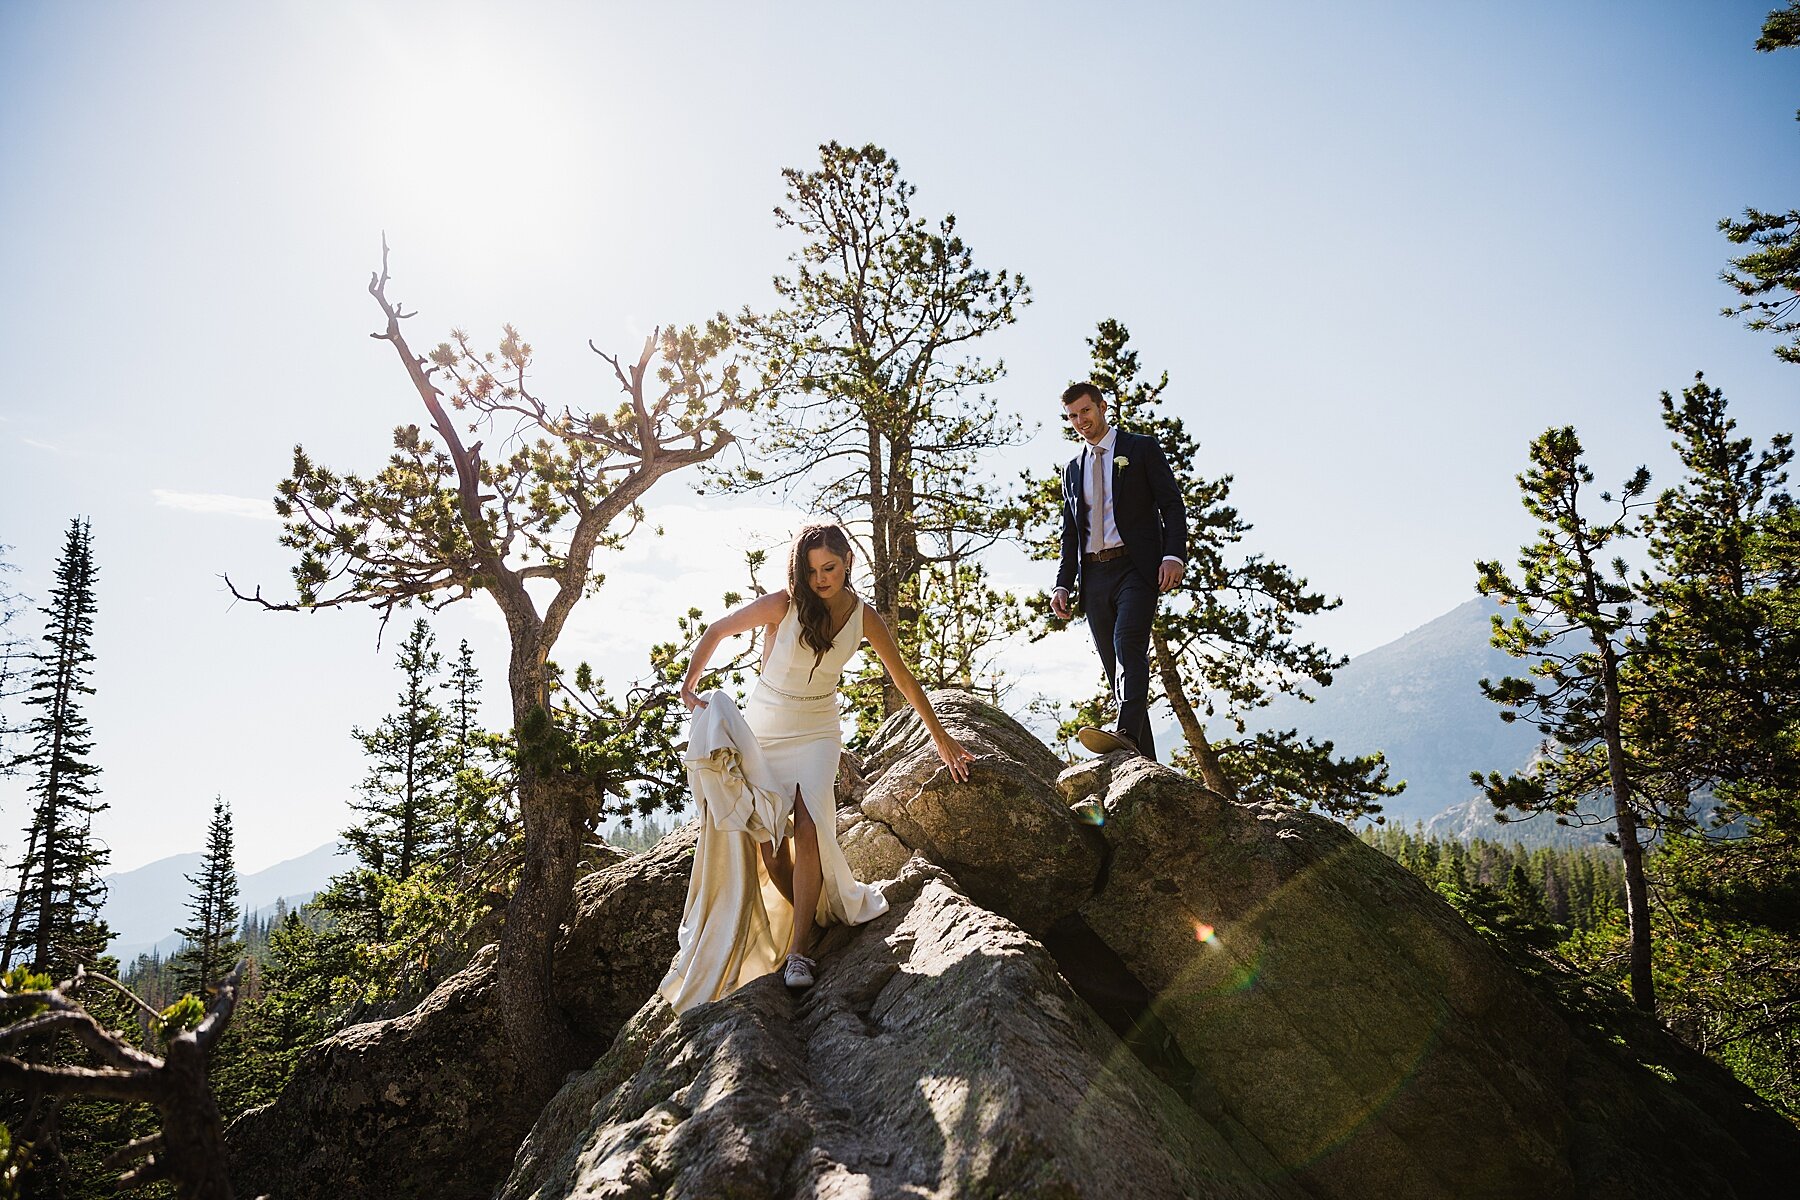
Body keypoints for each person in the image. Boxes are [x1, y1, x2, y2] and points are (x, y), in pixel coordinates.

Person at [660, 522, 974, 1011]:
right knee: (769, 844)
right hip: (765, 728)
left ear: (847, 561)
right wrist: (688, 686)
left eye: (829, 568)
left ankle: (800, 950)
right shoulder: (783, 604)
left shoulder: (864, 617)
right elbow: (716, 630)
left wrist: (943, 740)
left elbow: (906, 680)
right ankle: (816, 915)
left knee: (807, 827)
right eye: (811, 571)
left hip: (818, 731)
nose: (821, 578)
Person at [1049, 382, 1188, 761]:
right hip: (1094, 578)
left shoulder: (1140, 449)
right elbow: (1071, 532)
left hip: (1136, 568)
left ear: (1102, 406)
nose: (1080, 421)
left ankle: (1124, 731)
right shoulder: (1072, 468)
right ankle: (1144, 762)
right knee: (1116, 669)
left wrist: (1173, 555)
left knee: (1128, 644)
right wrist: (1063, 584)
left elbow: (1172, 506)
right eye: (1072, 417)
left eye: (1085, 412)